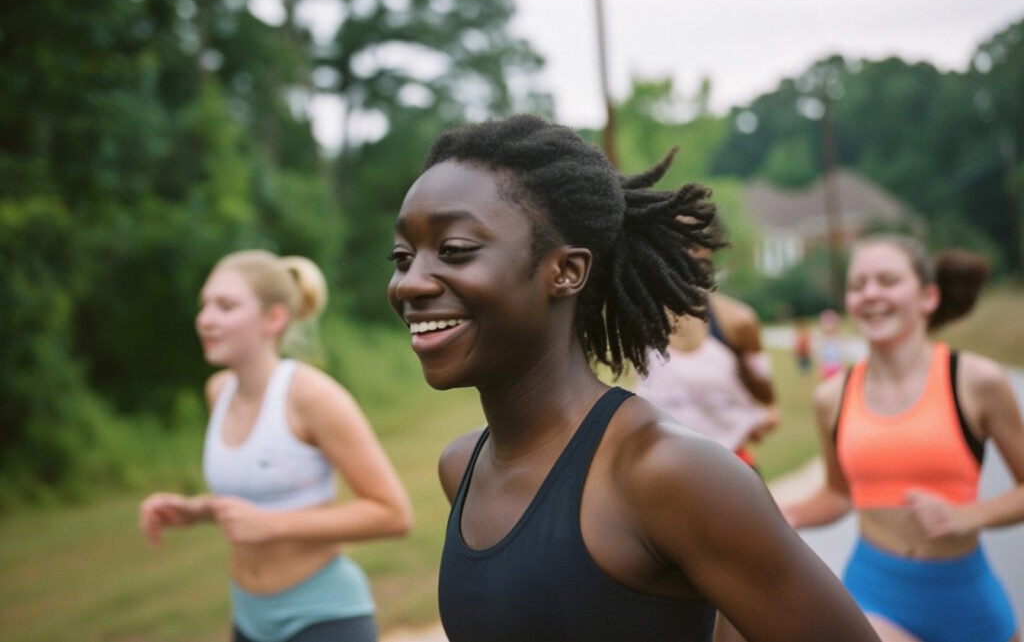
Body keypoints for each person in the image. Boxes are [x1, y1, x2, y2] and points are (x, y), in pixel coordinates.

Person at [386, 114, 881, 642]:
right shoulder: (461, 469)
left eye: (456, 250)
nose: (409, 284)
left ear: (566, 271)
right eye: (402, 257)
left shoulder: (669, 473)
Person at [140, 250, 413, 642]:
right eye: (204, 305)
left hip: (323, 616)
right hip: (248, 617)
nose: (206, 320)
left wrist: (270, 527)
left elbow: (393, 515)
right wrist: (196, 511)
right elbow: (253, 495)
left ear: (274, 318)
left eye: (226, 306)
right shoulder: (218, 391)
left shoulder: (313, 397)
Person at [781, 235, 1024, 642]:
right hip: (875, 594)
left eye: (888, 280)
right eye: (858, 285)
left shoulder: (975, 381)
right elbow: (839, 495)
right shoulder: (831, 397)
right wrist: (788, 514)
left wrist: (969, 514)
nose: (871, 293)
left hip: (967, 597)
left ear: (928, 297)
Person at [634, 288, 781, 471]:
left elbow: (770, 409)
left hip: (730, 469)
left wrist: (744, 424)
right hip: (670, 473)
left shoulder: (736, 319)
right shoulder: (641, 318)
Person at [817, 308, 845, 380]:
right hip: (827, 367)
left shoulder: (838, 338)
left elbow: (841, 354)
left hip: (836, 367)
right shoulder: (823, 340)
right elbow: (821, 355)